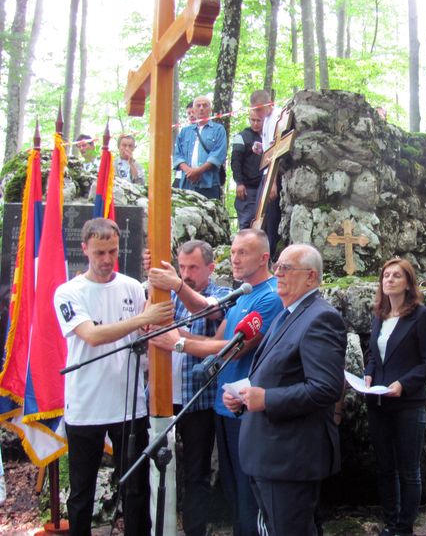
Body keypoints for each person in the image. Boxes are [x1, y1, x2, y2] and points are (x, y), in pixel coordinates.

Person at [150, 229, 283, 536]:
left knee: (250, 494)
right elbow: (215, 341)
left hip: (248, 409)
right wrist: (173, 333)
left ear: (263, 258)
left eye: (243, 253)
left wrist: (178, 343)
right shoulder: (242, 293)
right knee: (235, 492)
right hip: (226, 408)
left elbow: (234, 349)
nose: (234, 258)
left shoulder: (270, 295)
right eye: (233, 252)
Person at [53, 218, 174, 536]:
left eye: (112, 251)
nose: (107, 259)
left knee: (136, 488)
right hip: (86, 403)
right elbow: (91, 336)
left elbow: (146, 329)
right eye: (99, 253)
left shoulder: (131, 286)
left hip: (128, 402)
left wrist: (149, 312)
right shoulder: (68, 292)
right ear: (85, 250)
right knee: (82, 491)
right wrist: (142, 318)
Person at [225, 244, 347, 536]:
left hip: (290, 458)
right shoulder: (286, 314)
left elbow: (326, 388)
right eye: (277, 266)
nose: (277, 273)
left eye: (286, 268)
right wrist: (243, 397)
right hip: (269, 454)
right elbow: (276, 373)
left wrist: (266, 399)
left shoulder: (321, 318)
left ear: (311, 276)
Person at [145, 240, 231, 536]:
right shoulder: (168, 294)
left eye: (193, 267)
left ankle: (195, 530)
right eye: (181, 267)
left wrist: (176, 336)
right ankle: (160, 527)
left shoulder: (223, 295)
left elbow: (207, 312)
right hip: (163, 396)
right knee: (156, 465)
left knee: (197, 472)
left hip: (198, 400)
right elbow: (146, 325)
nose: (185, 273)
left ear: (211, 267)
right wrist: (152, 280)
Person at [363, 258, 426, 536]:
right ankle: (391, 523)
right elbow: (374, 355)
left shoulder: (421, 316)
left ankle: (404, 527)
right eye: (386, 275)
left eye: (396, 276)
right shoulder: (379, 315)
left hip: (407, 403)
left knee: (409, 470)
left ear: (408, 283)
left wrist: (404, 384)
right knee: (385, 468)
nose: (389, 280)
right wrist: (368, 374)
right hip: (378, 402)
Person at [173, 95, 227, 199]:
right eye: (198, 105)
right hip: (187, 183)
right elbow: (177, 155)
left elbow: (218, 155)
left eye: (205, 105)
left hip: (209, 184)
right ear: (193, 110)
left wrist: (198, 171)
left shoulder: (218, 130)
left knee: (209, 209)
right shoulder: (184, 131)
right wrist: (189, 171)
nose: (201, 108)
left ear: (210, 109)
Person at [249, 90, 282, 257]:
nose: (257, 114)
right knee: (259, 217)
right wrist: (261, 147)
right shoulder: (267, 119)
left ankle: (271, 255)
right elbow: (269, 148)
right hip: (266, 175)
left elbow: (277, 151)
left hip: (273, 175)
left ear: (270, 104)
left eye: (259, 109)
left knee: (270, 218)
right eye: (254, 110)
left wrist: (273, 182)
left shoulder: (277, 118)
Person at [231, 111, 264, 230]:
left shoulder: (269, 135)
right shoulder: (241, 136)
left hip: (265, 184)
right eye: (252, 120)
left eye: (258, 120)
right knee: (247, 222)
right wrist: (239, 183)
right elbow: (236, 161)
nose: (255, 123)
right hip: (248, 188)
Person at [174, 102, 196, 188]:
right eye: (189, 113)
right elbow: (178, 154)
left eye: (193, 112)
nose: (191, 115)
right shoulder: (184, 132)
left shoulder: (212, 130)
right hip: (183, 177)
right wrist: (187, 170)